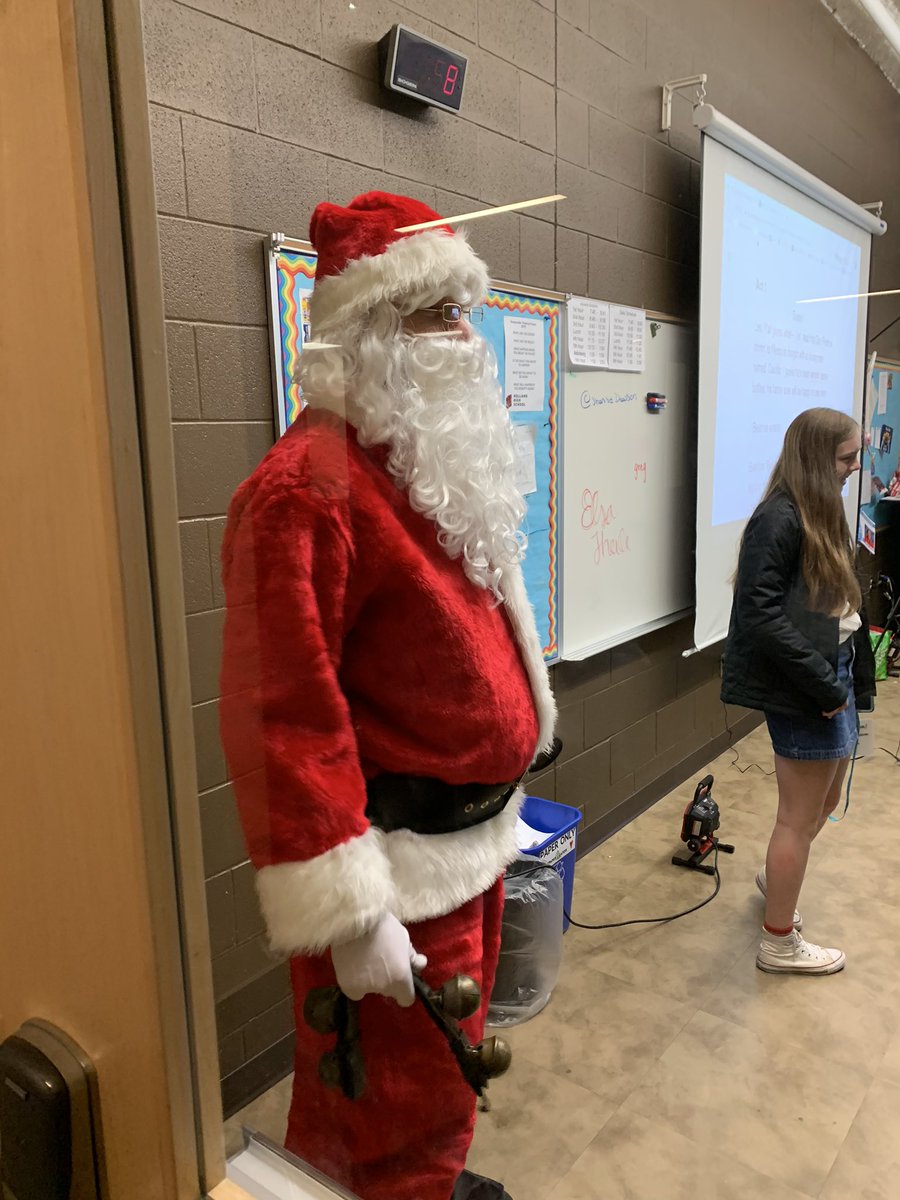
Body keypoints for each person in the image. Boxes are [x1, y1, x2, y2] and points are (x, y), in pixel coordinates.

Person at [219, 191, 557, 1200]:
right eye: (430, 312)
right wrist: (353, 913)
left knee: (436, 1100)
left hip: (473, 854)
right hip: (395, 882)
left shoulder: (422, 466)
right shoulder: (304, 492)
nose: (461, 336)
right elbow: (281, 715)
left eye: (463, 309)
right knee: (382, 1123)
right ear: (366, 331)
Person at [722, 408, 876, 975]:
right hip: (805, 685)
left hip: (828, 675)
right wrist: (822, 686)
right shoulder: (778, 518)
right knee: (797, 817)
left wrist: (847, 682)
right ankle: (778, 942)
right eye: (846, 457)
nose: (854, 467)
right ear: (816, 457)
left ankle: (777, 879)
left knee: (823, 804)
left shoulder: (819, 509)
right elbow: (758, 617)